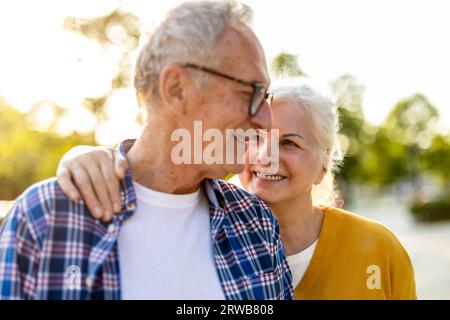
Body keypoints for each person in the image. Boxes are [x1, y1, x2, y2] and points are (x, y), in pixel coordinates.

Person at [0, 1, 293, 300]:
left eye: (265, 96)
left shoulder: (256, 223)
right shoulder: (45, 219)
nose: (265, 120)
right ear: (177, 88)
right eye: (252, 92)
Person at [59, 83, 417, 299]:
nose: (265, 156)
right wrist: (86, 155)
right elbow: (155, 167)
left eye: (289, 143)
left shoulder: (379, 248)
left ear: (324, 163)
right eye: (255, 138)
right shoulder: (197, 229)